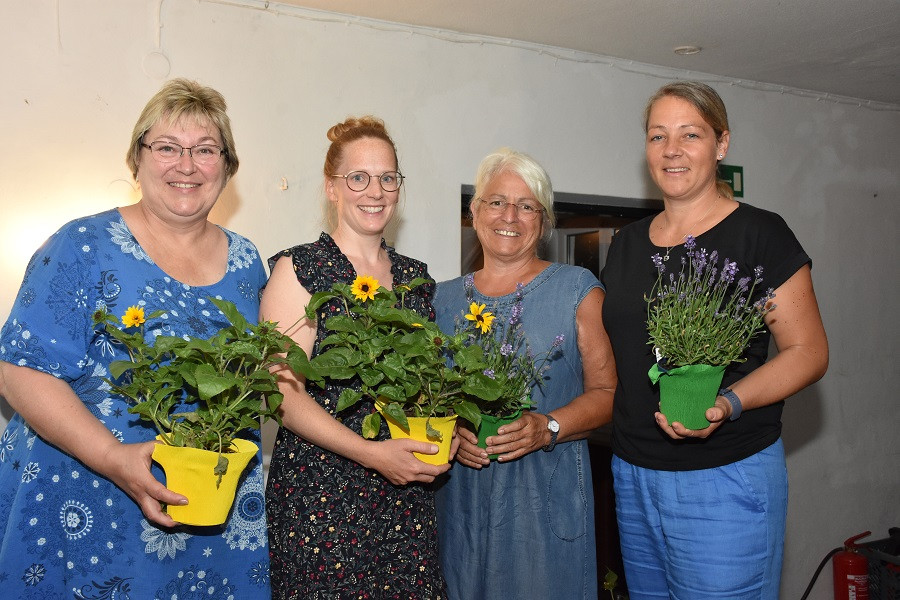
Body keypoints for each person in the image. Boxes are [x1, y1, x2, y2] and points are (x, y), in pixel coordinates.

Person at [0, 78, 271, 597]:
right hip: (85, 497)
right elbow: (20, 371)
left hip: (207, 511)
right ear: (137, 159)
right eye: (167, 147)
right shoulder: (82, 245)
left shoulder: (246, 263)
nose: (186, 165)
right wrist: (110, 456)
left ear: (228, 167)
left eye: (206, 150)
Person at [600, 81, 829, 599]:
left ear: (722, 145)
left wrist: (728, 403)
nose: (672, 150)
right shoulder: (627, 244)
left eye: (690, 135)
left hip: (726, 477)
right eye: (658, 136)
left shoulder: (760, 234)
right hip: (633, 475)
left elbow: (809, 352)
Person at [261, 115, 449, 599]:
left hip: (405, 493)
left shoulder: (415, 277)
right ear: (332, 188)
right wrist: (370, 453)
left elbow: (427, 383)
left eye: (388, 178)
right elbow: (281, 390)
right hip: (322, 491)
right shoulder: (300, 268)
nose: (376, 191)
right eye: (359, 178)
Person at [433, 148, 618, 600]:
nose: (509, 216)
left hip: (544, 509)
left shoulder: (578, 290)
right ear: (475, 212)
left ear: (544, 220)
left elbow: (610, 394)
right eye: (496, 202)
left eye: (527, 205)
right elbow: (427, 400)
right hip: (459, 506)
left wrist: (548, 426)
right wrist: (451, 431)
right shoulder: (439, 301)